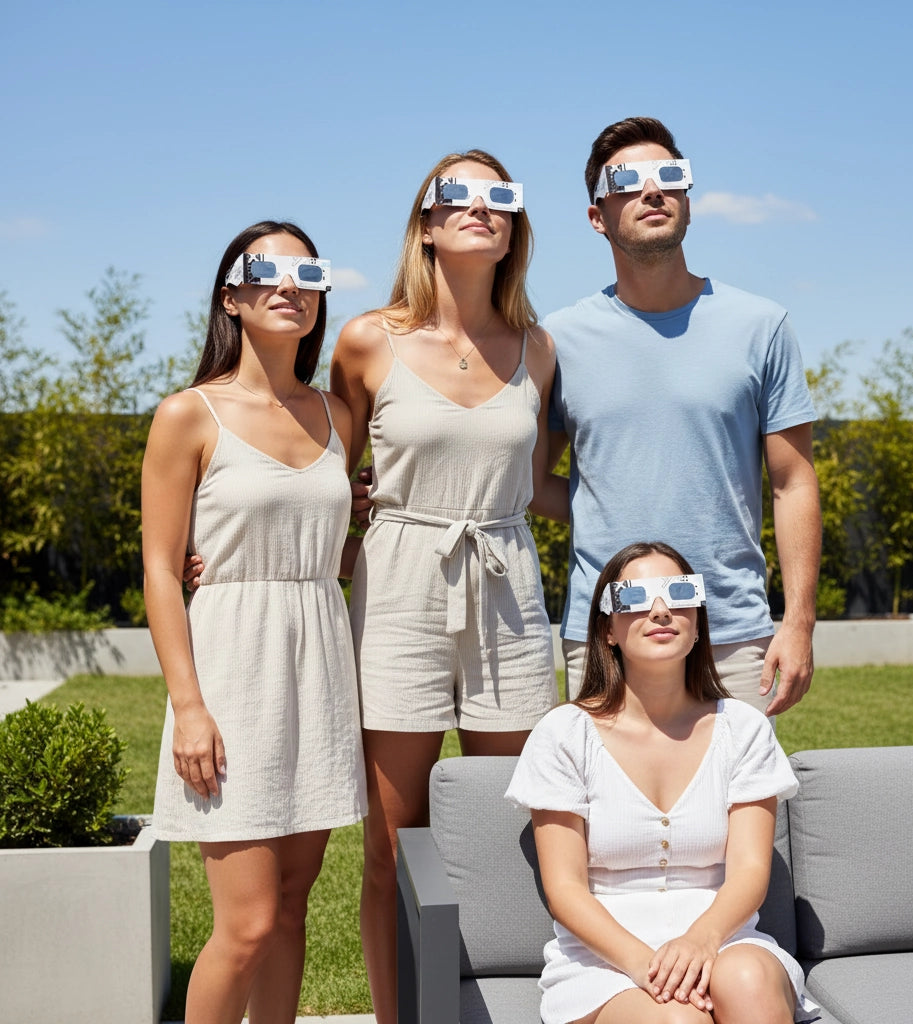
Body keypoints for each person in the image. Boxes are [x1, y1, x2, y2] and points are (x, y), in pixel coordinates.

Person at [330, 150, 564, 1024]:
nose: (479, 207)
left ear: (514, 226)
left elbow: (541, 485)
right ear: (425, 222)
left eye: (498, 196)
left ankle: (513, 1009)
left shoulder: (539, 348)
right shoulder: (365, 340)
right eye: (454, 195)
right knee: (394, 848)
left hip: (508, 589)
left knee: (520, 833)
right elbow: (328, 479)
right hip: (399, 590)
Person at [143, 221, 367, 1024]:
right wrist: (190, 707)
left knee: (293, 907)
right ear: (231, 295)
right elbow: (163, 571)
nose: (288, 284)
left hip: (318, 668)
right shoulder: (187, 415)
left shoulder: (338, 418)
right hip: (231, 672)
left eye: (306, 271)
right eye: (265, 270)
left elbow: (325, 553)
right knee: (247, 924)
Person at [545, 116, 821, 715]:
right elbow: (526, 476)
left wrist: (798, 623)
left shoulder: (761, 326)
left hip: (730, 631)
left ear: (689, 204)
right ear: (597, 216)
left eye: (670, 176)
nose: (652, 190)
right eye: (627, 181)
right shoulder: (558, 340)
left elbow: (794, 481)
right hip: (605, 631)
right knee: (600, 807)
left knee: (739, 807)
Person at [505, 541, 818, 1024]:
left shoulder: (743, 729)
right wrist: (647, 967)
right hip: (606, 961)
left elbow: (751, 870)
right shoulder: (563, 735)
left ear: (697, 622)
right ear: (607, 627)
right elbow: (565, 887)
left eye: (678, 593)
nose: (660, 610)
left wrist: (701, 940)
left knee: (749, 982)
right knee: (677, 1019)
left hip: (724, 940)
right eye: (633, 597)